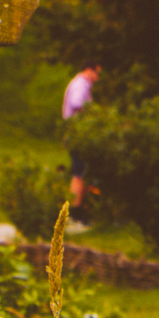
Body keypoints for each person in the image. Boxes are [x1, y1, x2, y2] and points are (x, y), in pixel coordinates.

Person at [61, 61, 101, 220]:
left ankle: (81, 208)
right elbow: (76, 103)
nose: (97, 78)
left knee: (83, 171)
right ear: (89, 70)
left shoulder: (80, 83)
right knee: (80, 171)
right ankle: (76, 212)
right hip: (77, 134)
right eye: (97, 73)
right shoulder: (81, 84)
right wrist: (92, 112)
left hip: (77, 133)